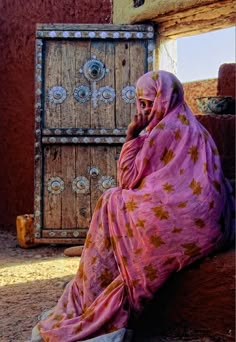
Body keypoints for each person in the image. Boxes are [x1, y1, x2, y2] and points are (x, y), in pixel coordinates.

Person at [32, 70, 234, 342]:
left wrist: (131, 134)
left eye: (150, 103)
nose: (145, 110)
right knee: (116, 207)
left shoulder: (164, 130)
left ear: (167, 99)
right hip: (209, 223)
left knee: (111, 201)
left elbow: (128, 180)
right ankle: (93, 293)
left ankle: (95, 300)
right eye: (141, 103)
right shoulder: (194, 128)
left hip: (189, 222)